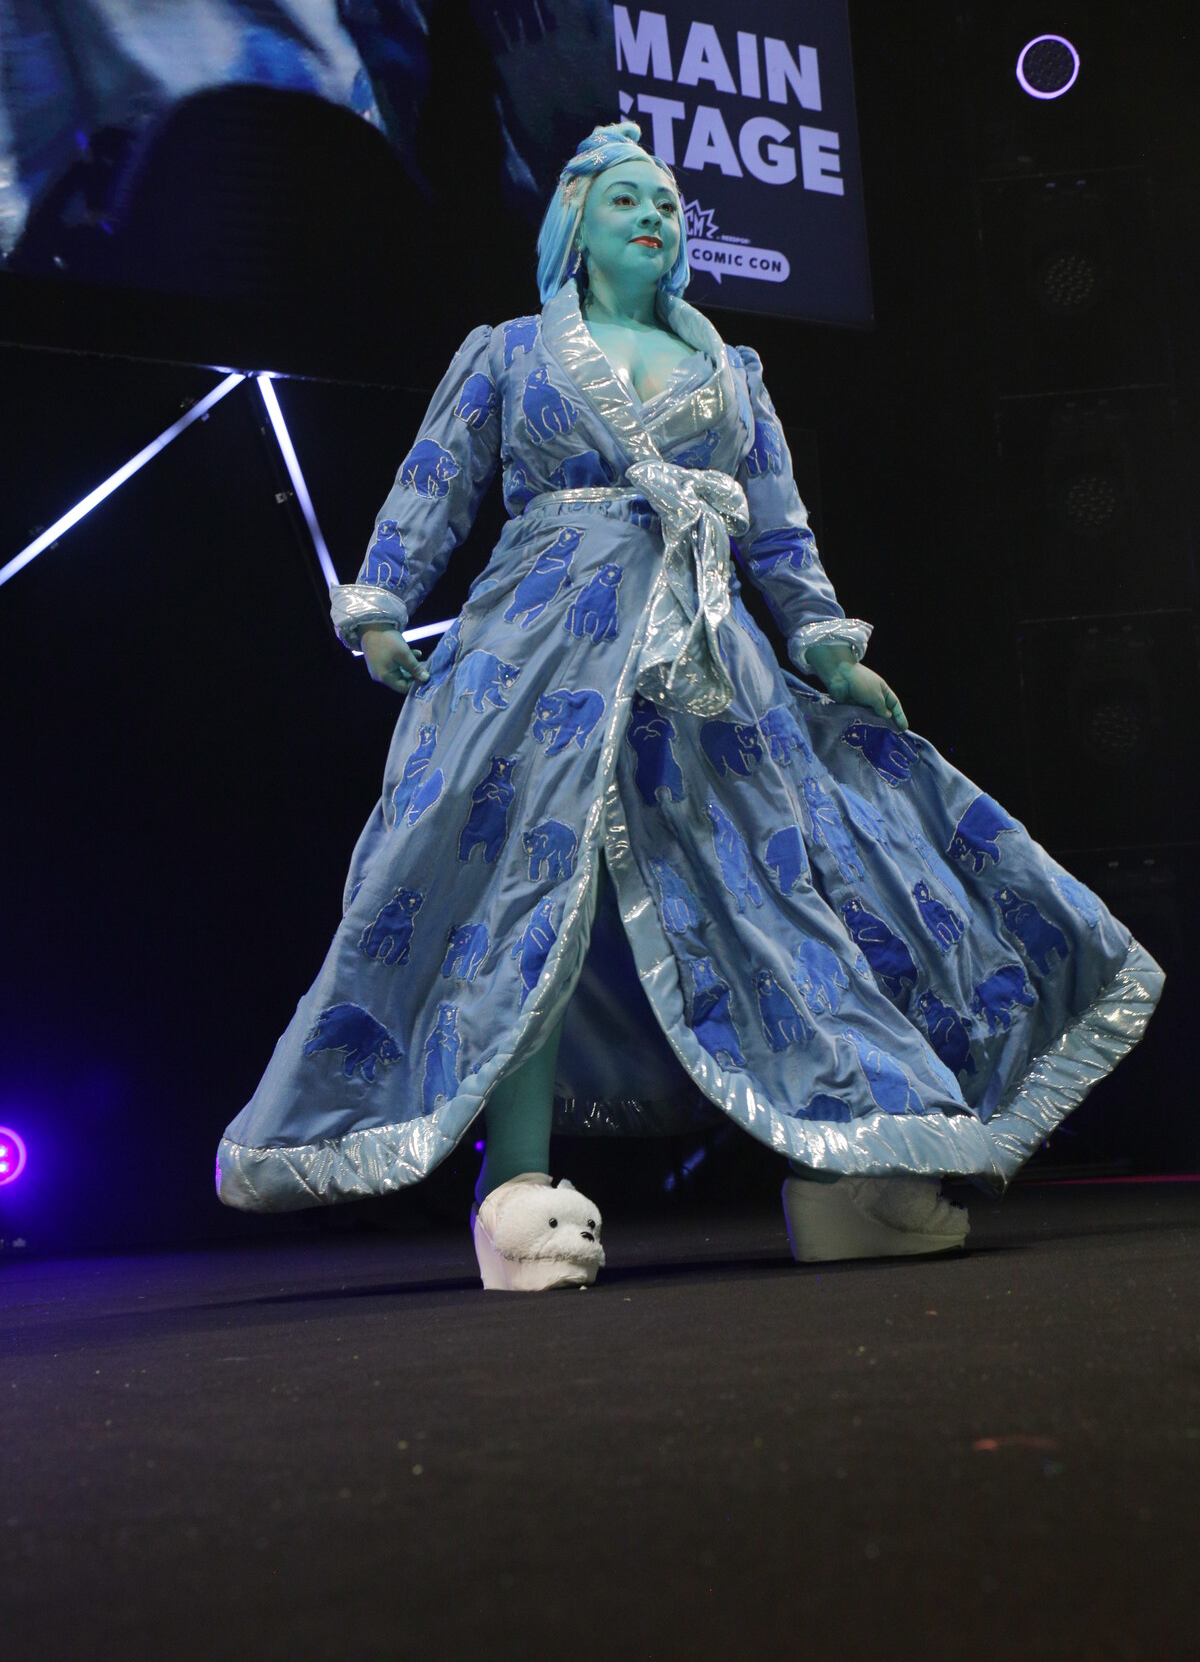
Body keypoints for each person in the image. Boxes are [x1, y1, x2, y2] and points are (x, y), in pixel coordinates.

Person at [216, 121, 1163, 1286]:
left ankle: (843, 1167)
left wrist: (825, 644)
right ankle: (516, 1189)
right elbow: (437, 480)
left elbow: (780, 530)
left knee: (780, 896)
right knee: (530, 909)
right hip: (541, 650)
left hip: (707, 665)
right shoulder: (510, 352)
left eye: (667, 204)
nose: (654, 218)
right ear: (576, 224)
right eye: (627, 201)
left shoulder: (732, 371)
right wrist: (380, 606)